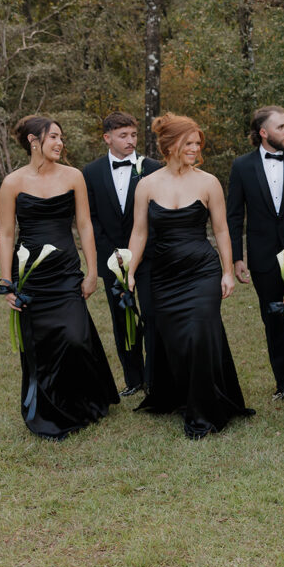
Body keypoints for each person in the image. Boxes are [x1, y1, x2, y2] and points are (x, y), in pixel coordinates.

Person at [127, 113, 253, 439]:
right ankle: (183, 396)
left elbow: (222, 231)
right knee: (177, 342)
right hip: (164, 275)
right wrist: (128, 269)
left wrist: (227, 271)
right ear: (170, 144)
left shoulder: (208, 182)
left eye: (198, 143)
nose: (195, 148)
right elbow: (139, 234)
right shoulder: (147, 185)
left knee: (199, 335)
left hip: (202, 271)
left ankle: (203, 411)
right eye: (189, 143)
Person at [0, 115, 119, 439]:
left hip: (65, 271)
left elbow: (85, 225)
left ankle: (84, 400)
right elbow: (7, 234)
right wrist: (6, 280)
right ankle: (48, 409)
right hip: (31, 276)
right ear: (34, 141)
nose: (60, 143)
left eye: (61, 137)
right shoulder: (12, 183)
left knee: (76, 338)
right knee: (42, 345)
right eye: (53, 137)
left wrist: (93, 271)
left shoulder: (74, 176)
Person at [227, 105, 284, 400]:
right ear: (263, 133)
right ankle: (283, 382)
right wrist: (237, 257)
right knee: (273, 318)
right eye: (281, 127)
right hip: (262, 255)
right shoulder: (242, 166)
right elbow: (234, 215)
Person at [82, 111, 162, 396]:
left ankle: (154, 378)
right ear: (107, 138)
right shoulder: (90, 173)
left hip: (150, 256)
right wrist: (111, 254)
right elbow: (90, 220)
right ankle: (133, 378)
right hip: (111, 259)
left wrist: (139, 250)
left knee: (152, 315)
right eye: (123, 136)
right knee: (121, 317)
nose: (130, 141)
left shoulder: (153, 168)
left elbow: (158, 215)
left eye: (133, 135)